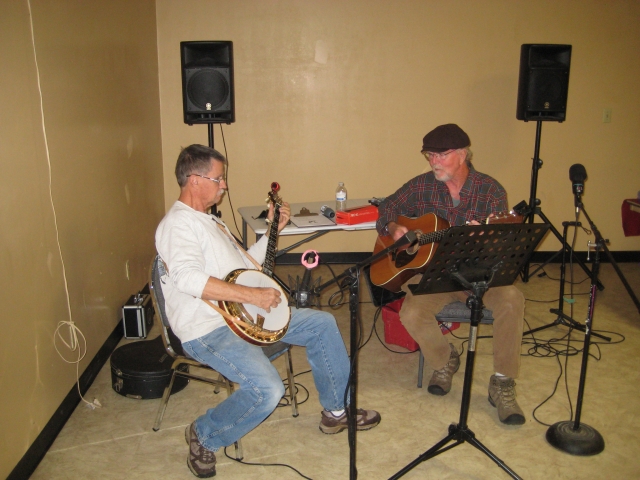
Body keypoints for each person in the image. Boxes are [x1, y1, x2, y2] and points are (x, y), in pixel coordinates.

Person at [156, 144, 380, 478]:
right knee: (268, 390)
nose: (224, 185)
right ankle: (204, 434)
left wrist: (275, 227)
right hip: (209, 329)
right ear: (194, 180)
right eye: (219, 179)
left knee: (322, 323)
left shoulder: (209, 222)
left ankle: (335, 411)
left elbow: (246, 265)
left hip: (244, 316)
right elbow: (187, 278)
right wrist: (253, 295)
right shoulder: (178, 225)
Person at [376, 124, 526, 426]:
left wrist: (482, 240)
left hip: (481, 274)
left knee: (512, 299)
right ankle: (445, 361)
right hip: (437, 274)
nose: (433, 162)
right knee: (412, 312)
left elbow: (501, 246)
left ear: (463, 155)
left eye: (441, 155)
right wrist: (393, 228)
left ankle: (503, 383)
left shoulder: (490, 191)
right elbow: (387, 207)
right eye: (429, 155)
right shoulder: (422, 186)